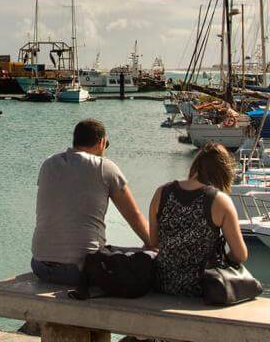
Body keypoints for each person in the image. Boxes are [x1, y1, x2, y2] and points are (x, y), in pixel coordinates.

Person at [31, 118, 151, 285]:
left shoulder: (48, 164)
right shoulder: (104, 167)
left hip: (40, 266)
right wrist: (153, 245)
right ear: (102, 142)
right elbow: (134, 215)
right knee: (147, 256)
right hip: (81, 270)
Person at [148, 143, 249, 297]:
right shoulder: (219, 200)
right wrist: (223, 259)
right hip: (203, 287)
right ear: (224, 173)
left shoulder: (162, 192)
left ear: (195, 166)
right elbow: (240, 255)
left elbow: (154, 242)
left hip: (163, 283)